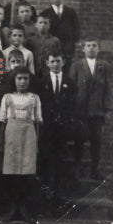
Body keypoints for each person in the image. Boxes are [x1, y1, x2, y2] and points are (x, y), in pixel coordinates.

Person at [0, 67, 42, 221]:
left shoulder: (34, 98)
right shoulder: (7, 97)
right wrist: (1, 144)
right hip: (11, 136)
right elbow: (2, 122)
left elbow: (37, 122)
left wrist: (36, 144)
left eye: (25, 79)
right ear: (14, 80)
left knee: (27, 173)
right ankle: (12, 207)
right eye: (19, 78)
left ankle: (23, 208)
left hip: (29, 137)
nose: (22, 82)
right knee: (11, 173)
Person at [69, 38, 112, 180]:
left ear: (98, 49)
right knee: (79, 139)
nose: (91, 48)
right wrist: (72, 109)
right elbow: (71, 88)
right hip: (80, 110)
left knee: (96, 140)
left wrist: (107, 109)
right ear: (83, 49)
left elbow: (108, 89)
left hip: (97, 110)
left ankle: (94, 169)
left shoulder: (104, 66)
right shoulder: (77, 65)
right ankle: (77, 168)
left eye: (94, 46)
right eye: (88, 46)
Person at [38, 51, 77, 199]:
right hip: (47, 128)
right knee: (47, 159)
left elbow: (73, 105)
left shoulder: (70, 82)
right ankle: (46, 194)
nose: (55, 64)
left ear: (63, 63)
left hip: (62, 129)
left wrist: (68, 122)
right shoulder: (42, 82)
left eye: (58, 61)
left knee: (60, 160)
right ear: (47, 63)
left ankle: (58, 194)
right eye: (52, 61)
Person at [40, 0, 80, 72]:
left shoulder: (71, 12)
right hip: (52, 49)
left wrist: (71, 43)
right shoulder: (45, 13)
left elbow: (76, 30)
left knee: (67, 71)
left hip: (68, 49)